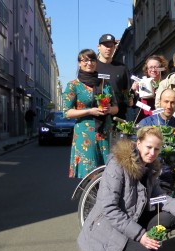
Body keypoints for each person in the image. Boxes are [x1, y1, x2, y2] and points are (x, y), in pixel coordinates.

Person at [78, 126, 175, 251]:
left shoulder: (149, 169)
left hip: (130, 223)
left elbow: (162, 199)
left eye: (156, 149)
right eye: (149, 147)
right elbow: (109, 209)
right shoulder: (118, 165)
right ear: (138, 144)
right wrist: (141, 236)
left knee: (173, 216)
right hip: (109, 230)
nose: (152, 153)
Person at [62, 49, 119, 178]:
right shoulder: (73, 85)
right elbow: (67, 112)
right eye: (85, 60)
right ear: (79, 63)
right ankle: (91, 197)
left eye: (92, 60)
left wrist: (109, 110)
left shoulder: (105, 84)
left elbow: (116, 108)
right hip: (86, 133)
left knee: (108, 172)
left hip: (105, 131)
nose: (89, 63)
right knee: (90, 173)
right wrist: (89, 111)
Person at [96, 33, 131, 121]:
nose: (108, 49)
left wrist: (131, 98)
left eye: (111, 46)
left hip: (117, 117)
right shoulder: (92, 67)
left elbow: (127, 92)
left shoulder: (121, 68)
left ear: (114, 48)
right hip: (96, 118)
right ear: (98, 47)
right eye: (105, 46)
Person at [131, 55, 169, 123]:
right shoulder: (142, 83)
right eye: (151, 67)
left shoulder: (166, 84)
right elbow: (133, 105)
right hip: (144, 119)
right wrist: (133, 92)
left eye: (156, 67)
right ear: (147, 69)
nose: (153, 70)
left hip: (161, 121)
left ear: (161, 68)